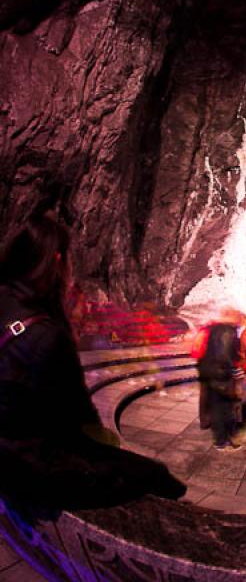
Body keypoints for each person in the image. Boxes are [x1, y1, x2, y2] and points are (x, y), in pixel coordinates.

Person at [0, 213, 187, 510]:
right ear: (57, 261)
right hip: (24, 462)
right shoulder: (46, 334)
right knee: (158, 476)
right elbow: (78, 419)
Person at [197, 307, 244, 451]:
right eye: (240, 318)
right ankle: (225, 440)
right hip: (221, 375)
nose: (242, 322)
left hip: (211, 372)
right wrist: (234, 370)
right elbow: (223, 355)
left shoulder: (215, 329)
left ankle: (222, 440)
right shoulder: (227, 331)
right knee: (224, 408)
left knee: (218, 407)